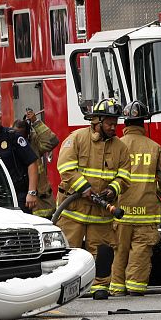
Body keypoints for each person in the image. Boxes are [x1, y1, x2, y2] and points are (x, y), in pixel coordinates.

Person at [55, 98, 131, 300]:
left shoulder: (120, 147)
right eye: (109, 123)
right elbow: (65, 167)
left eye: (115, 122)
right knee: (68, 250)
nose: (113, 127)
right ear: (96, 121)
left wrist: (113, 189)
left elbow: (125, 176)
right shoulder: (77, 139)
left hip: (101, 211)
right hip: (74, 209)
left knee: (102, 250)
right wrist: (84, 187)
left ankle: (100, 286)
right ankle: (66, 287)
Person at [110, 101, 161, 297]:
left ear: (125, 123)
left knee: (119, 249)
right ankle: (135, 287)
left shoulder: (116, 146)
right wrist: (155, 194)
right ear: (143, 122)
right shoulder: (154, 148)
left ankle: (117, 287)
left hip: (119, 211)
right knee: (141, 249)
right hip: (146, 212)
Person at [12, 109, 60, 219]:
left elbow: (52, 141)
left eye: (21, 136)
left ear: (28, 135)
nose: (19, 139)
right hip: (18, 196)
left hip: (40, 203)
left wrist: (35, 122)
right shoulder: (8, 144)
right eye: (16, 135)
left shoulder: (33, 143)